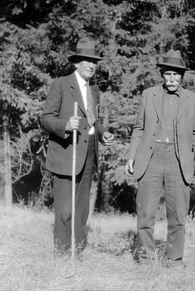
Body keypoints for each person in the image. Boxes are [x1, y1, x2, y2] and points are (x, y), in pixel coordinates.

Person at [125, 49, 195, 266]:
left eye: (176, 75)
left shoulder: (192, 99)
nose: (172, 79)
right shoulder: (148, 94)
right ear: (162, 74)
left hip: (179, 159)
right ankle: (145, 257)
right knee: (145, 213)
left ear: (182, 76)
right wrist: (131, 156)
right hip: (150, 158)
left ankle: (174, 258)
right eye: (168, 74)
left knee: (178, 214)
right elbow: (138, 128)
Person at [41, 39, 114, 257]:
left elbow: (93, 119)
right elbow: (45, 118)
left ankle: (78, 250)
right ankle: (62, 253)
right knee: (64, 208)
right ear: (76, 63)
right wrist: (64, 125)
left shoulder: (94, 89)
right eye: (87, 61)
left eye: (94, 62)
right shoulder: (61, 84)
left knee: (82, 208)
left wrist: (102, 134)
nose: (91, 65)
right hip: (67, 151)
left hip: (89, 152)